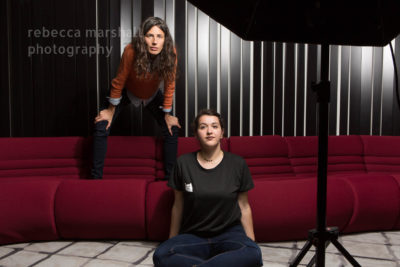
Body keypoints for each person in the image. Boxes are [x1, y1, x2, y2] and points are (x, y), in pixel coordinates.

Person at [153, 109, 263, 267]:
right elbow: (178, 205)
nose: (209, 131)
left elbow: (244, 206)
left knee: (253, 254)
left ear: (222, 133)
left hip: (230, 235)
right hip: (193, 236)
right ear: (196, 134)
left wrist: (251, 242)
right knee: (161, 255)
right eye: (203, 127)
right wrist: (172, 241)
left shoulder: (238, 164)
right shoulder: (183, 163)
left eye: (215, 126)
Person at [91, 17, 181, 180]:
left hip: (152, 95)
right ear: (142, 38)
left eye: (159, 36)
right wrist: (110, 111)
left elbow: (170, 84)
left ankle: (170, 181)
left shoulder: (171, 52)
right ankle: (95, 179)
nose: (154, 41)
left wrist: (167, 115)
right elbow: (119, 81)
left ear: (165, 40)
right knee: (101, 124)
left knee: (171, 128)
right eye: (150, 36)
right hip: (128, 91)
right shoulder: (131, 50)